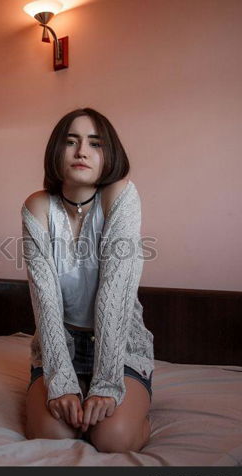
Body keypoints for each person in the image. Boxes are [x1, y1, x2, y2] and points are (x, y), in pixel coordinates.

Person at [20, 107, 155, 453]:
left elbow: (114, 294)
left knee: (113, 439)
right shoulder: (37, 207)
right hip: (59, 347)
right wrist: (61, 382)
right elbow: (44, 301)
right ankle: (73, 388)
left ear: (108, 155)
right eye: (71, 141)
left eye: (95, 144)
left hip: (119, 347)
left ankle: (140, 413)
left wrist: (106, 384)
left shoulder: (120, 196)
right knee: (55, 436)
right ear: (56, 151)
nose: (81, 151)